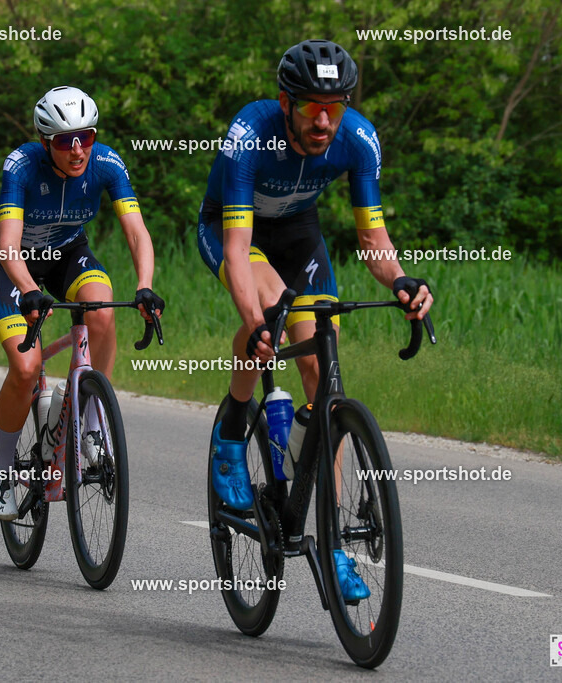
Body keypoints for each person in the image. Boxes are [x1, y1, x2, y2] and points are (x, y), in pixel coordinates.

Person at [197, 40, 433, 599]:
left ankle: (329, 541)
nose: (324, 119)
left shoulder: (358, 139)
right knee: (273, 311)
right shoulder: (250, 133)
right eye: (311, 107)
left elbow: (372, 237)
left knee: (322, 375)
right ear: (286, 103)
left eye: (336, 105)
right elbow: (236, 250)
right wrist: (255, 322)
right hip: (234, 229)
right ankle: (233, 432)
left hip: (300, 233)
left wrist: (399, 279)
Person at [0, 86, 163, 520]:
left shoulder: (106, 162)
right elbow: (8, 246)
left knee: (102, 311)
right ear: (46, 142)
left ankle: (92, 423)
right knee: (26, 369)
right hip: (16, 265)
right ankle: (2, 469)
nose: (78, 148)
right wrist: (27, 288)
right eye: (66, 141)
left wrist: (144, 285)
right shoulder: (22, 166)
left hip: (68, 255)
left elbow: (137, 232)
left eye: (87, 136)